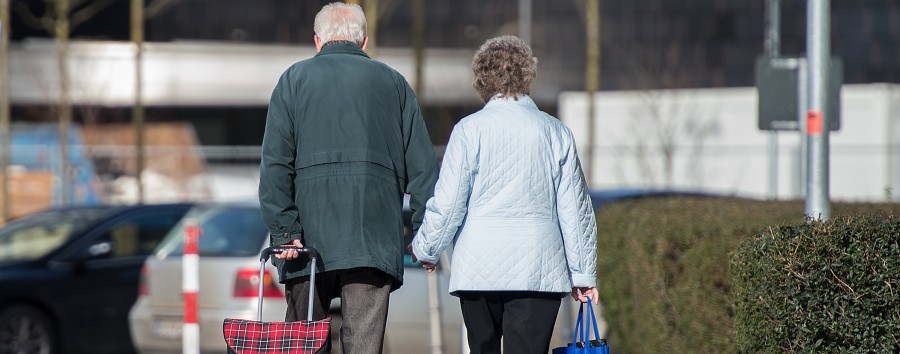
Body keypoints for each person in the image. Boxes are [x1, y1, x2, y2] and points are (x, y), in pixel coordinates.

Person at [258, 3, 439, 353]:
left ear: (316, 41)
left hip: (304, 246)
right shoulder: (394, 84)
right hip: (371, 240)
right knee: (364, 344)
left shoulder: (293, 81)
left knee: (305, 345)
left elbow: (275, 166)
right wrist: (423, 235)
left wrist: (285, 232)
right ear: (365, 41)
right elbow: (423, 169)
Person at [409, 35, 598, 354]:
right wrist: (582, 273)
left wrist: (426, 248)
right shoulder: (555, 132)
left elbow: (449, 202)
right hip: (537, 270)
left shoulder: (469, 130)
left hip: (478, 269)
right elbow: (576, 211)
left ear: (481, 78)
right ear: (528, 76)